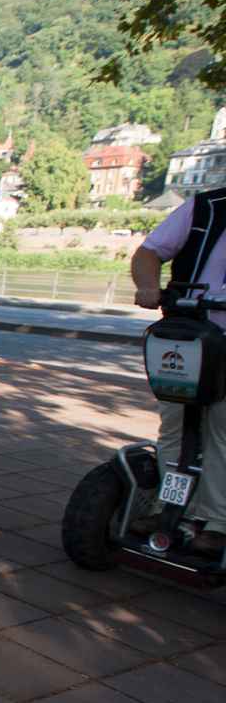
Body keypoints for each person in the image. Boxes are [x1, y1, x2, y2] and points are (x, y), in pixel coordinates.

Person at [130, 185, 226, 556]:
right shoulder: (206, 208)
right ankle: (171, 508)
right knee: (175, 426)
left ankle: (216, 522)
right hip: (189, 335)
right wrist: (149, 286)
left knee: (221, 430)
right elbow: (149, 252)